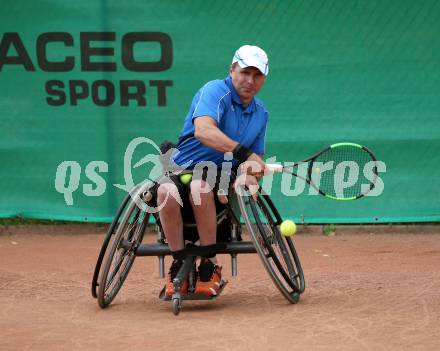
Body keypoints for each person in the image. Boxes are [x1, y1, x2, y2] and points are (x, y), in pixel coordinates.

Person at [157, 45, 270, 297]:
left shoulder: (261, 113)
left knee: (200, 187)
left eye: (257, 75)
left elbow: (256, 159)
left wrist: (250, 173)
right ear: (232, 70)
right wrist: (244, 154)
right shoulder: (215, 91)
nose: (250, 81)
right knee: (164, 192)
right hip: (182, 167)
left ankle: (209, 263)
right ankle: (178, 261)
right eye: (245, 72)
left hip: (221, 177)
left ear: (263, 79)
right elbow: (204, 131)